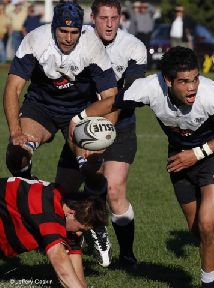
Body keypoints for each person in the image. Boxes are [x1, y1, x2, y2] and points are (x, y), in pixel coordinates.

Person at [68, 46, 214, 288]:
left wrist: (198, 153)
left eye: (195, 79)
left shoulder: (213, 96)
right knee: (197, 230)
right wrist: (78, 119)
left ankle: (210, 282)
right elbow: (112, 103)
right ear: (168, 81)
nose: (192, 87)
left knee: (208, 223)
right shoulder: (149, 87)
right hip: (179, 158)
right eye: (184, 82)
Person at [56, 0, 147, 270]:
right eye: (103, 18)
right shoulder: (78, 40)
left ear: (121, 18)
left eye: (115, 18)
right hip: (80, 123)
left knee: (115, 190)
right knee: (64, 190)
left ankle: (127, 255)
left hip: (120, 126)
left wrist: (103, 131)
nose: (109, 24)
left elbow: (125, 97)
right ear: (92, 18)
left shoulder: (134, 48)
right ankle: (73, 239)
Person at [3, 1, 118, 182]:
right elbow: (13, 88)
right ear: (53, 27)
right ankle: (28, 183)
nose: (69, 38)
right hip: (41, 106)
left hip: (80, 111)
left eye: (74, 32)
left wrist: (103, 140)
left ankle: (93, 207)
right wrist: (15, 131)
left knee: (90, 167)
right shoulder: (35, 40)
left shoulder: (92, 46)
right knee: (16, 154)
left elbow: (111, 98)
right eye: (63, 31)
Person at [0, 174, 108, 288]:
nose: (79, 234)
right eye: (80, 229)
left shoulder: (63, 206)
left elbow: (73, 254)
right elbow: (59, 260)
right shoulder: (47, 213)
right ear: (71, 212)